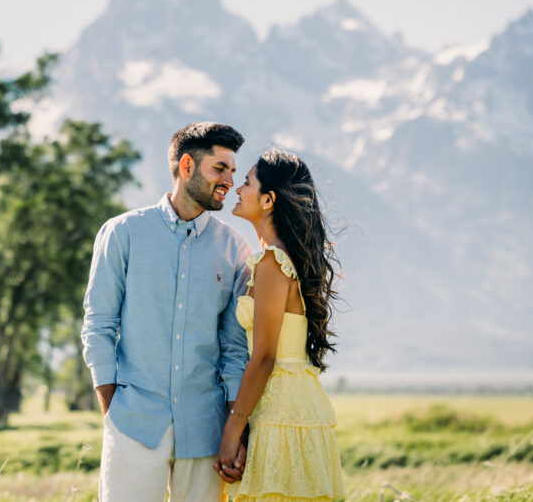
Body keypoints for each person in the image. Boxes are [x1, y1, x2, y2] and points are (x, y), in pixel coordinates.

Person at [82, 122, 254, 502]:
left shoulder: (234, 249)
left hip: (206, 429)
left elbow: (234, 348)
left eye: (232, 170)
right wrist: (112, 410)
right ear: (188, 166)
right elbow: (99, 325)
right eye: (220, 168)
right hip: (134, 423)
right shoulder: (122, 233)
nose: (229, 180)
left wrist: (233, 430)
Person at [217, 149, 345, 501]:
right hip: (292, 406)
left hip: (280, 411)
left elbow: (264, 357)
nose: (238, 190)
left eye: (246, 183)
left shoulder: (273, 262)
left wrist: (232, 429)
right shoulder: (278, 257)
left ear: (268, 200)